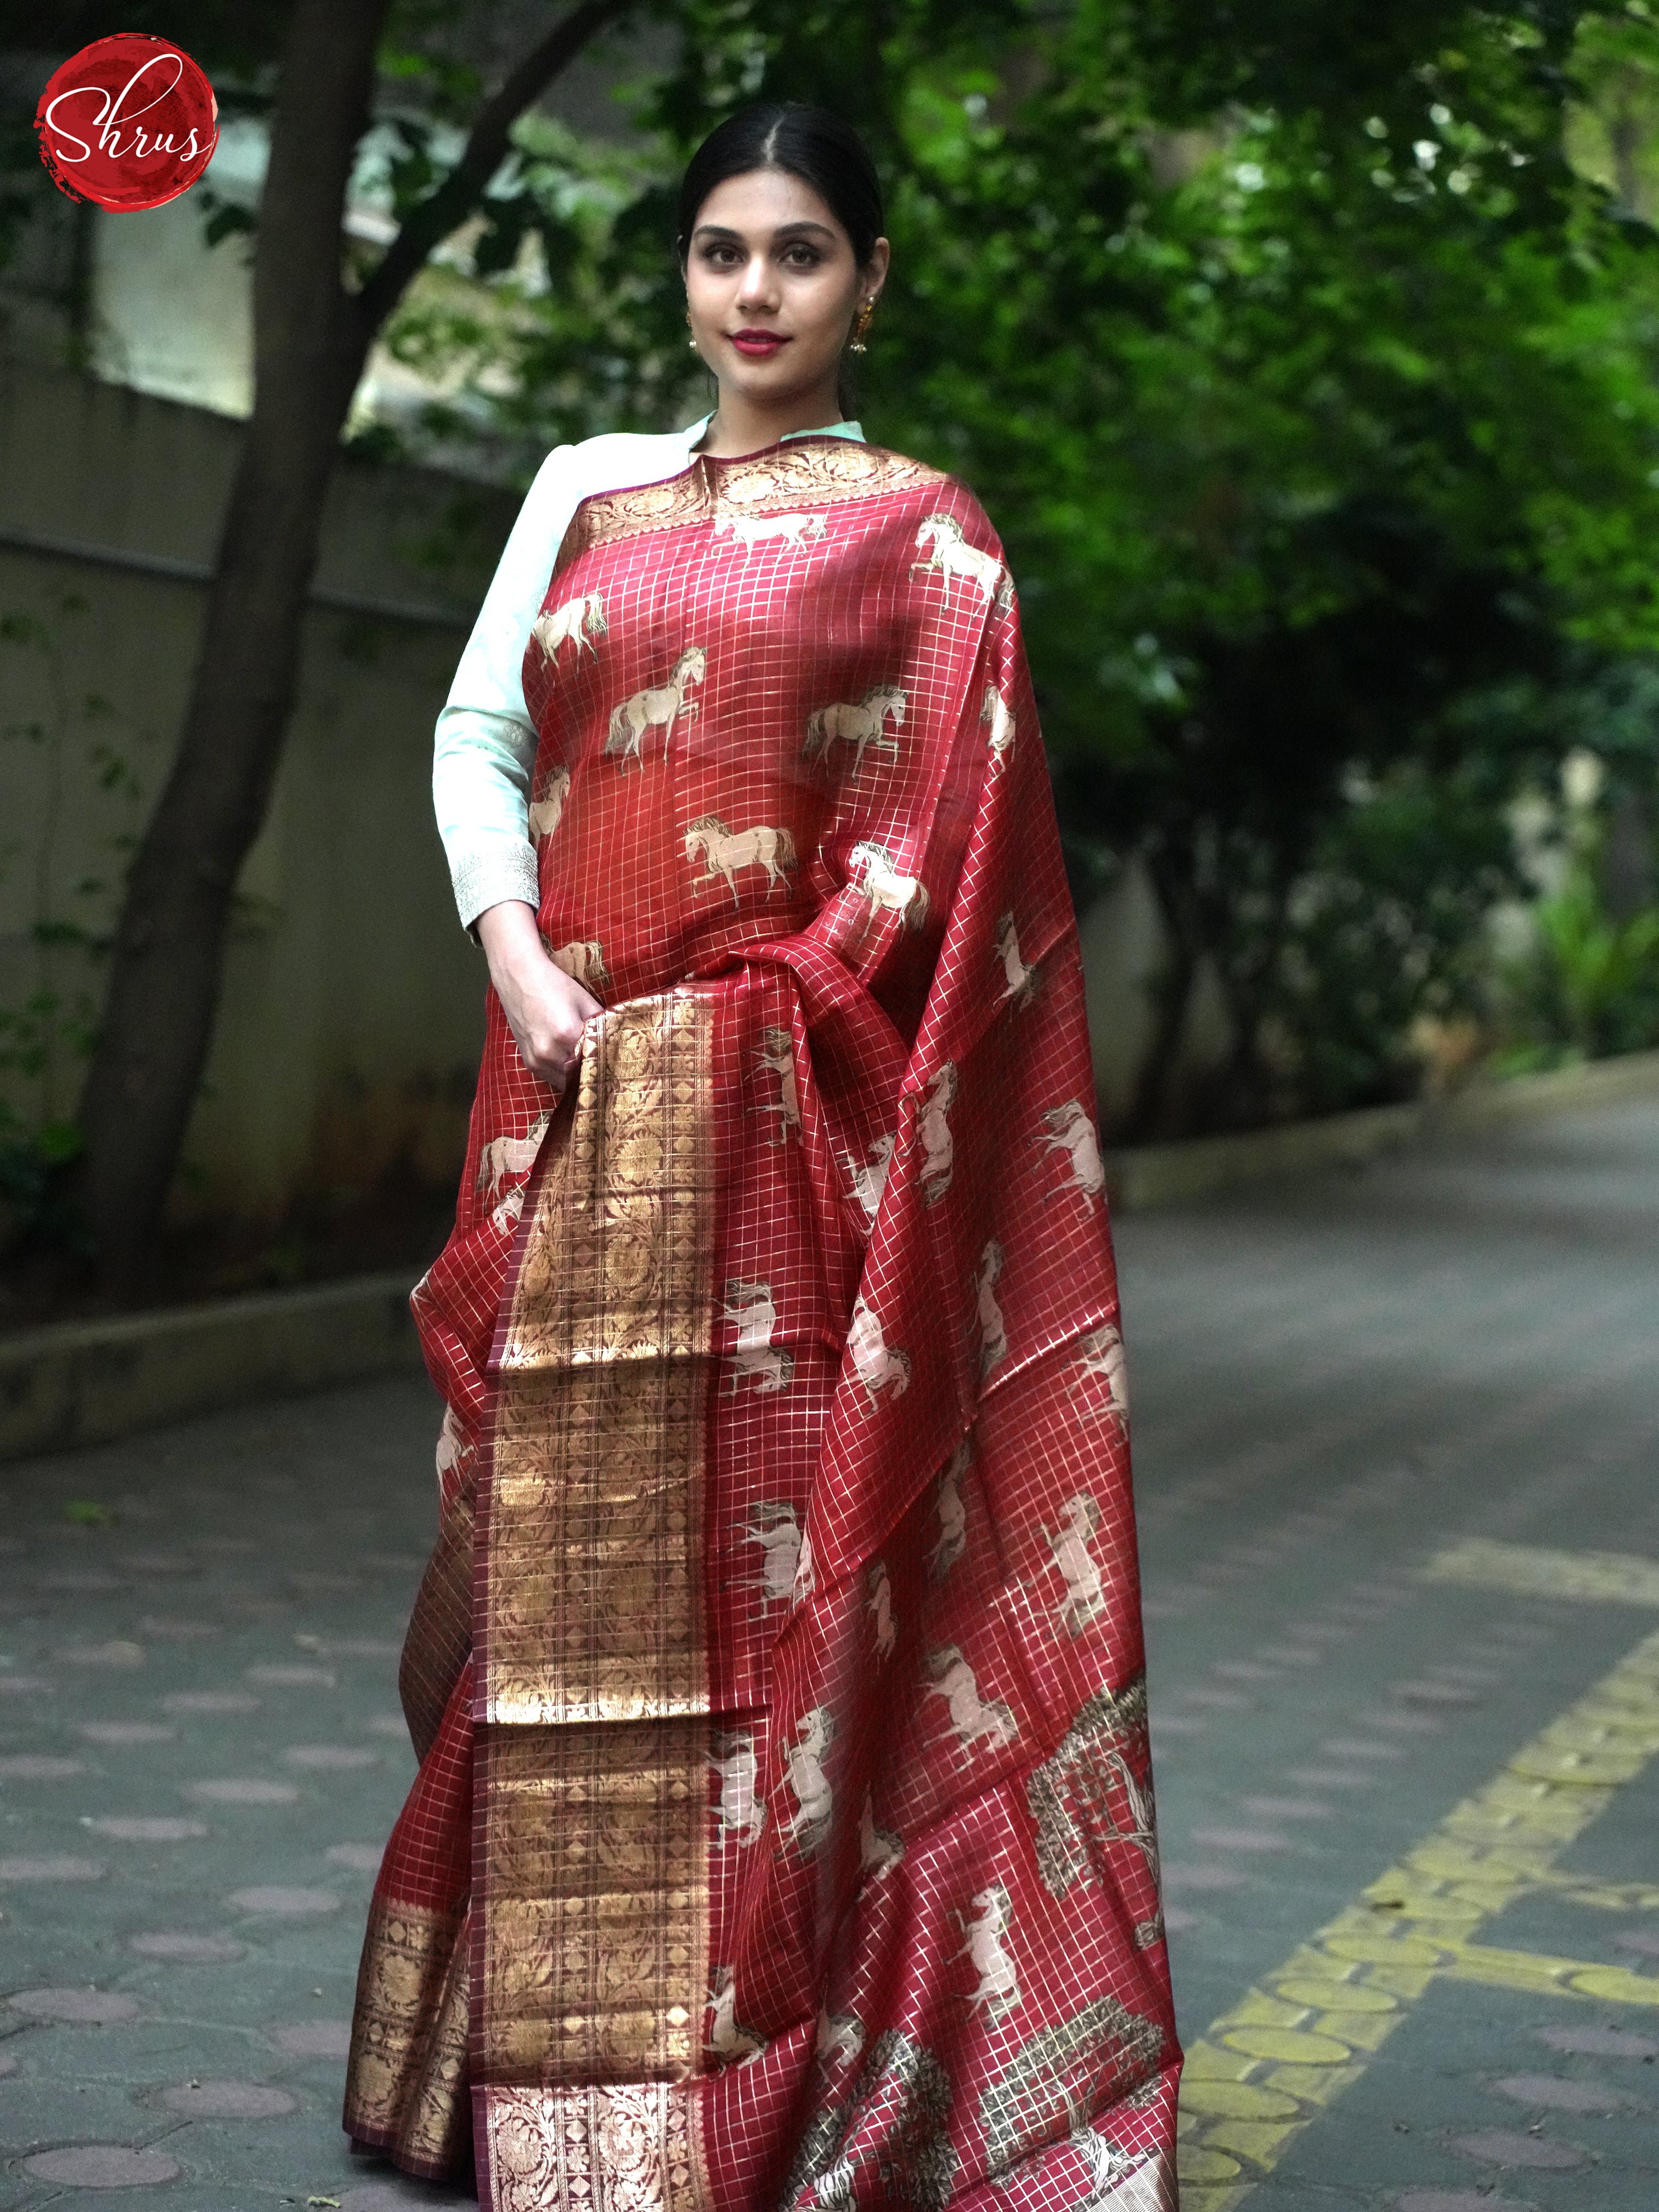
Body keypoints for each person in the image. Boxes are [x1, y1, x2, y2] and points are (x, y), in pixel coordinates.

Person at [343, 99, 1180, 2212]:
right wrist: (521, 961)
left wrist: (775, 1008)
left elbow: (954, 848)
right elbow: (481, 738)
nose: (756, 293)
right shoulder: (588, 494)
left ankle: (750, 2086)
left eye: (801, 254)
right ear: (685, 274)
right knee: (562, 1578)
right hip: (572, 1094)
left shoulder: (932, 537)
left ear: (868, 282)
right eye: (723, 251)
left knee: (770, 1590)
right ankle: (521, 2086)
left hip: (796, 1130)